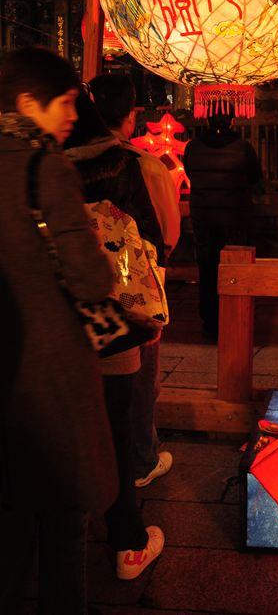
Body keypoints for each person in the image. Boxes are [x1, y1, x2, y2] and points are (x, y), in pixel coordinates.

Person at [0, 47, 118, 614]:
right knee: (64, 512)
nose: (74, 115)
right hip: (48, 368)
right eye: (65, 102)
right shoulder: (44, 167)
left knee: (10, 516)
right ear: (29, 103)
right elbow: (90, 279)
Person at [65, 90, 165, 581]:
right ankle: (127, 543)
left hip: (57, 327)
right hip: (114, 317)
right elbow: (152, 238)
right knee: (116, 430)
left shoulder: (40, 167)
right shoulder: (129, 165)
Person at [89, 72, 179, 488]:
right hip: (136, 288)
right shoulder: (142, 164)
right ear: (130, 116)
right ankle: (142, 458)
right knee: (140, 375)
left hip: (83, 288)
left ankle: (99, 459)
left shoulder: (61, 161)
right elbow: (168, 233)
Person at [183, 110, 262, 341]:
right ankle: (233, 318)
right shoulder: (243, 148)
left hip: (204, 217)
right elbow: (255, 178)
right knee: (234, 269)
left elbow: (190, 173)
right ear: (233, 120)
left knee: (207, 268)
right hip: (234, 218)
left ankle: (210, 320)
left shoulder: (193, 147)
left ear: (207, 119)